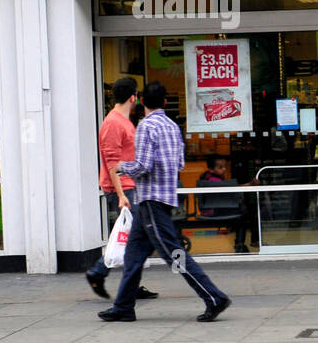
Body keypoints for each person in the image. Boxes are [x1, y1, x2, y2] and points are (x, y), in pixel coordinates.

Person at [99, 82, 231, 323]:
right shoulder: (172, 126)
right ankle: (123, 306)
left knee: (174, 254)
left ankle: (214, 297)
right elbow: (180, 163)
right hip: (165, 197)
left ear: (140, 102)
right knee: (133, 255)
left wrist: (121, 167)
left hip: (151, 200)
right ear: (165, 102)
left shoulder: (145, 126)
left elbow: (143, 166)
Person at [85, 77, 158, 301]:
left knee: (136, 237)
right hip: (124, 189)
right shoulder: (113, 123)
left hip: (131, 186)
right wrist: (120, 195)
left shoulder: (124, 121)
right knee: (138, 236)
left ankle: (126, 283)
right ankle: (99, 272)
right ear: (132, 97)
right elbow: (111, 162)